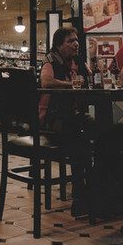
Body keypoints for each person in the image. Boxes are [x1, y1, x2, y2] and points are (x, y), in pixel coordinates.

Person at [39, 27, 92, 215]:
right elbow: (46, 81)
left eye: (76, 40)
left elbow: (90, 78)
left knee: (94, 131)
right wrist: (72, 85)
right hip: (51, 120)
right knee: (81, 138)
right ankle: (81, 195)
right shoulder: (51, 59)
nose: (76, 44)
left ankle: (92, 190)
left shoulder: (78, 61)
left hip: (72, 117)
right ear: (59, 45)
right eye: (70, 41)